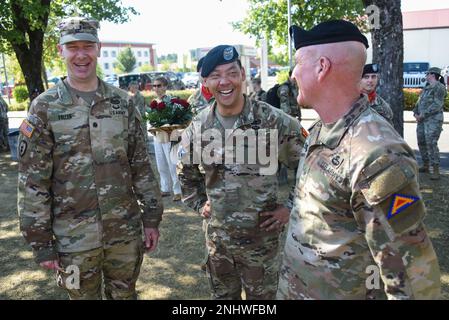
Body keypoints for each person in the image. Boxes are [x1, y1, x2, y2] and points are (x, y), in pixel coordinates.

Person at [277, 20, 441, 300]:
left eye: (298, 63)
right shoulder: (321, 130)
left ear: (321, 67)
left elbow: (413, 275)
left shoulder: (376, 154)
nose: (293, 74)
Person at [17, 17, 163, 300]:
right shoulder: (45, 107)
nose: (81, 54)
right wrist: (41, 242)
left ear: (99, 48)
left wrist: (152, 218)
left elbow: (141, 166)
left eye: (87, 46)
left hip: (124, 233)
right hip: (73, 239)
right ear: (61, 51)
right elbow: (33, 181)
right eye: (73, 47)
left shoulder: (123, 102)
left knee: (125, 296)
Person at [177, 45, 307, 300]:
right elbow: (186, 173)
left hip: (262, 246)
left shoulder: (274, 121)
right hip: (219, 245)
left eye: (231, 73)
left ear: (243, 74)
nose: (224, 82)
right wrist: (199, 203)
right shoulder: (199, 127)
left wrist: (289, 207)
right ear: (206, 82)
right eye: (215, 75)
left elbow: (309, 165)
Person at [151, 76, 182, 201]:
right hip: (157, 136)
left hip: (170, 136)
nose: (156, 88)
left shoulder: (172, 101)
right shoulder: (154, 102)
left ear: (165, 87)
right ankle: (165, 188)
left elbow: (179, 118)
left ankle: (177, 190)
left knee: (172, 164)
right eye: (154, 86)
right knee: (161, 164)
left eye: (159, 85)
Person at [413, 67, 447, 180]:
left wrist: (423, 114)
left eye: (427, 74)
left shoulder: (439, 87)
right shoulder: (426, 87)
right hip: (422, 120)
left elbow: (437, 104)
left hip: (433, 120)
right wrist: (415, 113)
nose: (426, 76)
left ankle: (436, 169)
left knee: (431, 143)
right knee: (421, 141)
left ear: (432, 74)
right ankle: (426, 165)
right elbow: (419, 102)